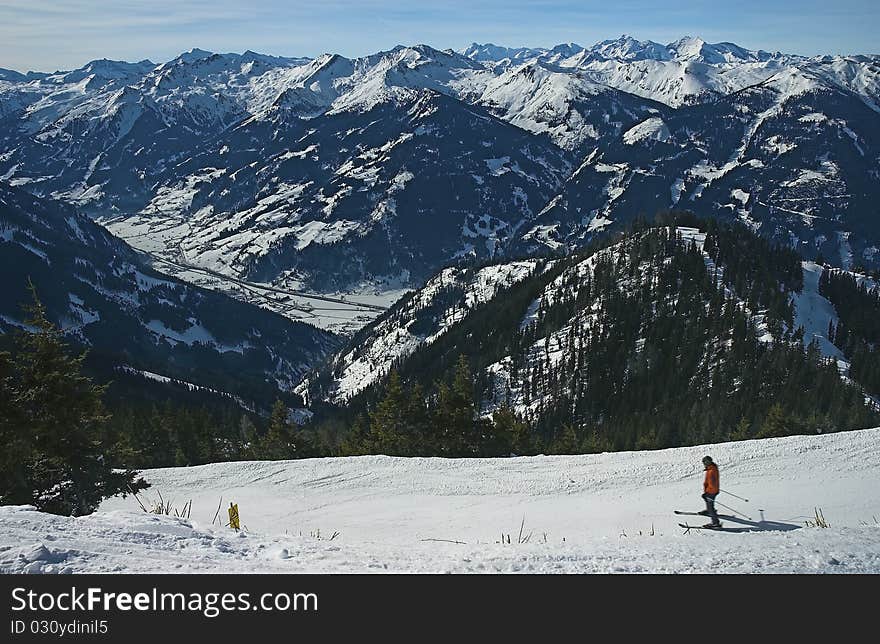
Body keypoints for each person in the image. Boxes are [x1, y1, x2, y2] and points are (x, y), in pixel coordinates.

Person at [699, 455, 721, 527]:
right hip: (713, 490)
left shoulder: (711, 471)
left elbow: (712, 484)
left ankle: (715, 523)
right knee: (707, 500)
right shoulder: (711, 468)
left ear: (708, 462)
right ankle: (709, 511)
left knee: (710, 506)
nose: (703, 463)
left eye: (704, 462)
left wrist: (707, 493)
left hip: (711, 491)